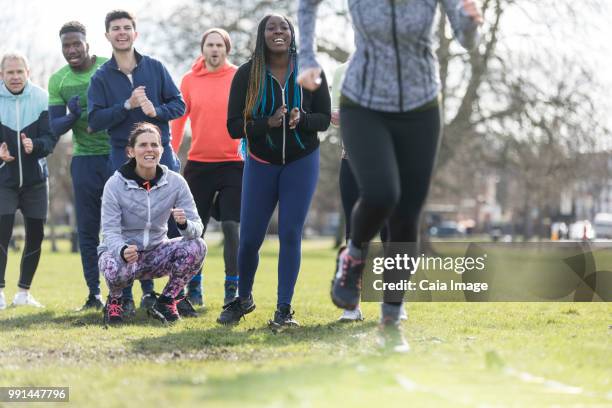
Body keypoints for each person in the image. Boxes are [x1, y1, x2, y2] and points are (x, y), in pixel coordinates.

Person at [298, 0, 482, 351]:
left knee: (407, 215)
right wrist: (307, 58)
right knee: (382, 193)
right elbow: (308, 5)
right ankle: (352, 257)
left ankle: (391, 321)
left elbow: (466, 39)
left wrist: (471, 23)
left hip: (421, 105)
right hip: (363, 101)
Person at [217, 14, 331, 327]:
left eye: (284, 27)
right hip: (261, 163)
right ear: (262, 35)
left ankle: (283, 310)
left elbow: (323, 118)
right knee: (250, 238)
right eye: (271, 28)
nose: (278, 32)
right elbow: (232, 127)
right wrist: (267, 123)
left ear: (292, 34)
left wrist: (301, 119)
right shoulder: (246, 74)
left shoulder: (311, 71)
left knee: (291, 234)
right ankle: (243, 298)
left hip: (301, 161)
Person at [88, 9, 186, 316]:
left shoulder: (155, 68)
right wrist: (126, 105)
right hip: (122, 155)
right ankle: (123, 296)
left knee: (170, 222)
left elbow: (179, 104)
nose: (121, 32)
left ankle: (171, 296)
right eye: (115, 28)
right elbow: (94, 120)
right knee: (128, 221)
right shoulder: (101, 77)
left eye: (127, 28)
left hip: (162, 154)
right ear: (107, 36)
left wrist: (154, 110)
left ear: (135, 33)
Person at [98, 122, 206, 325]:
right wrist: (122, 250)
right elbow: (110, 231)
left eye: (154, 145)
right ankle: (115, 300)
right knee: (116, 264)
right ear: (131, 151)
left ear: (162, 150)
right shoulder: (114, 184)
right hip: (123, 255)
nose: (149, 150)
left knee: (197, 245)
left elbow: (197, 227)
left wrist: (184, 225)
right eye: (143, 145)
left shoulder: (175, 182)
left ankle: (166, 301)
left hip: (157, 254)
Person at [171, 28, 242, 307]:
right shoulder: (189, 80)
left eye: (219, 45)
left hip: (235, 164)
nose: (214, 50)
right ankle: (194, 287)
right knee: (193, 230)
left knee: (231, 227)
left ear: (227, 49)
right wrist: (171, 155)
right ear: (203, 49)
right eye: (209, 45)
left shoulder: (239, 76)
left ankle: (231, 289)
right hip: (199, 165)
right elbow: (178, 121)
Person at [48, 21, 110, 311]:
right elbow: (55, 126)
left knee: (120, 227)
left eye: (76, 44)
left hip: (116, 156)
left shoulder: (108, 68)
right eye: (66, 46)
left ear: (88, 44)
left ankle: (122, 293)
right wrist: (73, 116)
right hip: (84, 159)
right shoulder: (59, 80)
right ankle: (93, 293)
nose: (71, 50)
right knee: (87, 228)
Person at [0, 52, 58, 310]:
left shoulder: (42, 98)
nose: (15, 77)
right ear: (2, 75)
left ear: (28, 72)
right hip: (4, 179)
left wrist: (35, 145)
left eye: (19, 72)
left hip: (36, 181)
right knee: (1, 234)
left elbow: (51, 138)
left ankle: (23, 293)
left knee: (36, 235)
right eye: (9, 72)